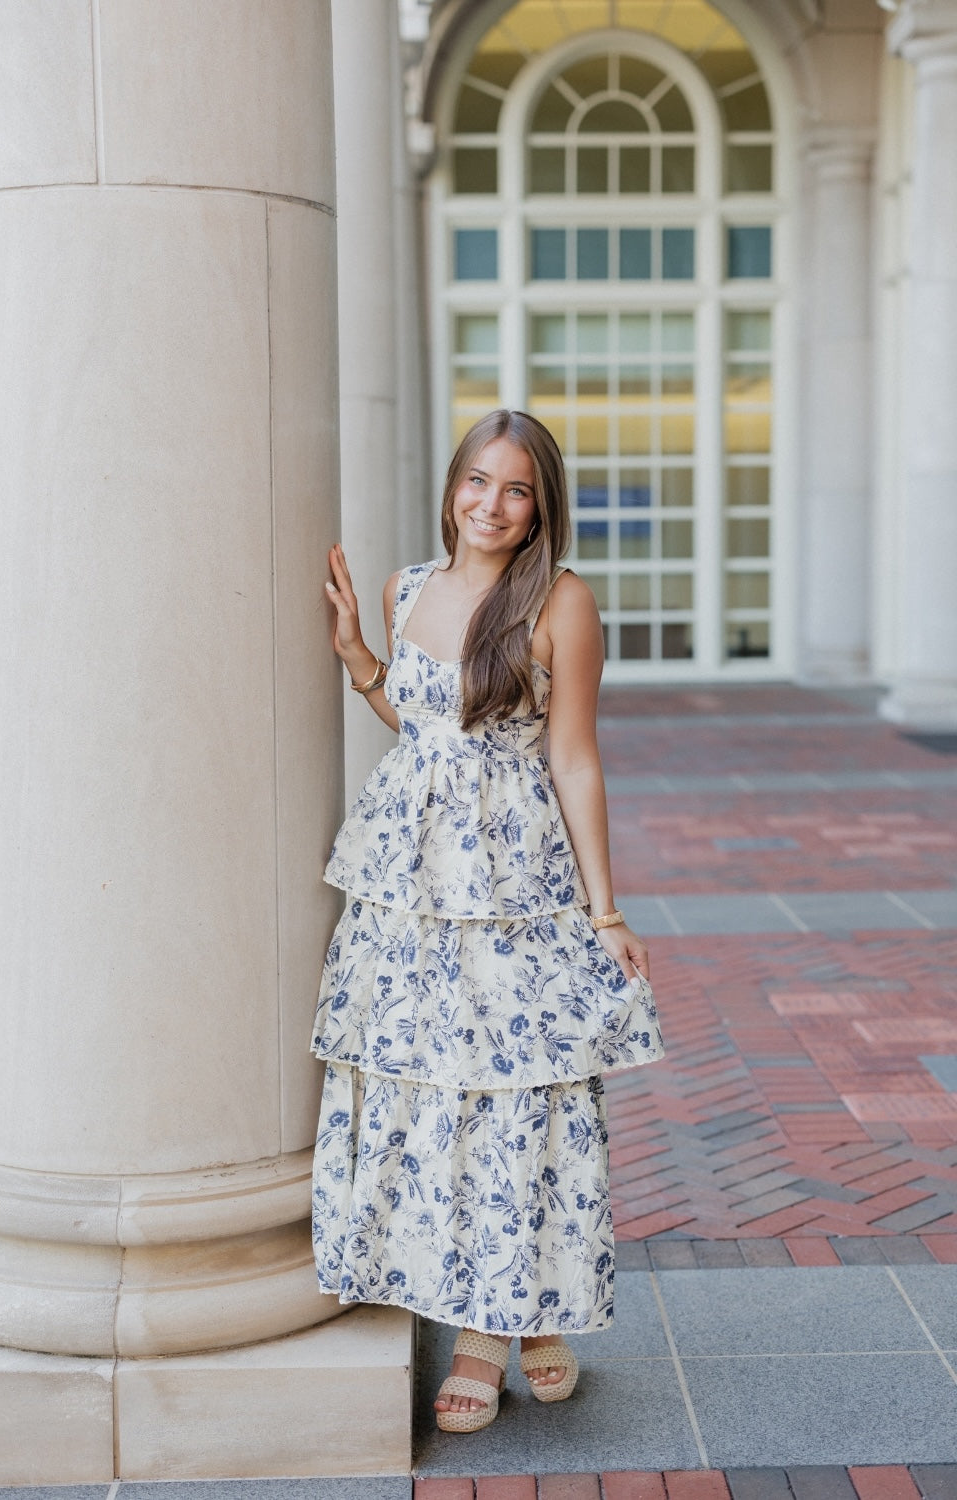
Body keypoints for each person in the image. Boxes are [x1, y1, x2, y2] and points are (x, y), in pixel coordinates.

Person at [312, 409, 664, 1434]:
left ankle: (491, 1332)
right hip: (408, 882)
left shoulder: (560, 602)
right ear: (453, 483)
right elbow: (427, 730)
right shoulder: (405, 588)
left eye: (516, 489)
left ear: (540, 504)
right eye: (478, 480)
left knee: (521, 1094)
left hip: (515, 879)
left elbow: (574, 757)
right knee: (430, 1089)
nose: (492, 505)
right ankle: (517, 1310)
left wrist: (605, 910)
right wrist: (360, 663)